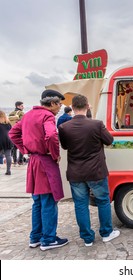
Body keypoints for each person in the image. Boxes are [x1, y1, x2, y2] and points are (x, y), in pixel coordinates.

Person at [9, 89, 69, 251]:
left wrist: (25, 150)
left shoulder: (28, 115)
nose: (60, 108)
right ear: (52, 104)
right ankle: (48, 239)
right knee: (49, 201)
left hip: (33, 162)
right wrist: (55, 154)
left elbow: (13, 133)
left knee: (37, 202)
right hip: (45, 161)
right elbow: (50, 136)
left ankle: (35, 237)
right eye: (59, 104)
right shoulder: (47, 116)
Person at [58, 94, 119, 247]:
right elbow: (110, 141)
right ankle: (106, 233)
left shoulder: (64, 127)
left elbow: (65, 146)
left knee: (80, 205)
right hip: (96, 171)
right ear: (87, 106)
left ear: (72, 108)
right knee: (103, 201)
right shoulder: (97, 124)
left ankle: (87, 238)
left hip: (76, 172)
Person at [9, 101, 25, 165]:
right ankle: (20, 161)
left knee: (14, 147)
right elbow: (23, 122)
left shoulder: (11, 113)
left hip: (12, 132)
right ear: (18, 106)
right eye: (22, 106)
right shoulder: (21, 113)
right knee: (21, 146)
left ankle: (14, 160)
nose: (23, 107)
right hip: (19, 132)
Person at [0, 111, 13, 175]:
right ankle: (8, 170)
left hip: (0, 140)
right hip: (8, 140)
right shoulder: (8, 124)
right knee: (8, 155)